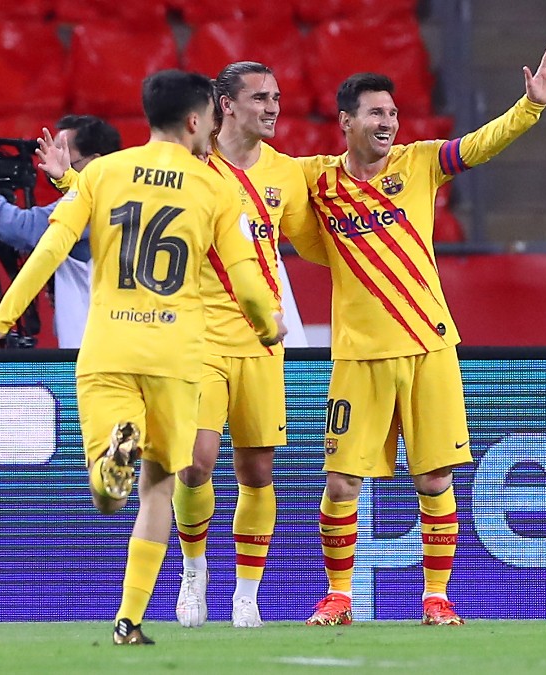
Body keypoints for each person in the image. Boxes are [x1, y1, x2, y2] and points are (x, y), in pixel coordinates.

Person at [0, 69, 287, 645]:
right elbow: (244, 278)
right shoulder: (216, 189)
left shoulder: (102, 174)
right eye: (212, 117)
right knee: (160, 487)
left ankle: (107, 470)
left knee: (109, 494)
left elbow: (49, 250)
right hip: (178, 356)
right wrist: (268, 325)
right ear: (195, 120)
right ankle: (129, 619)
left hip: (108, 347)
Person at [294, 48, 546, 627]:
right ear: (346, 120)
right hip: (359, 356)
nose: (387, 123)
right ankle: (338, 596)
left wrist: (530, 106)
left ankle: (437, 598)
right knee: (342, 480)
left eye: (392, 113)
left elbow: (478, 145)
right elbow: (254, 175)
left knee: (435, 478)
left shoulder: (420, 162)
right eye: (374, 114)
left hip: (429, 347)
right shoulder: (314, 178)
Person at [172, 60, 328, 630]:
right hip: (198, 337)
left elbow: (316, 244)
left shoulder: (288, 175)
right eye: (260, 97)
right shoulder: (190, 161)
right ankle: (193, 572)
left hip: (263, 342)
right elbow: (129, 182)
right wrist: (70, 179)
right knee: (195, 463)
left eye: (278, 97)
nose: (273, 108)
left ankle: (246, 592)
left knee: (257, 472)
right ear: (227, 104)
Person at [0, 115, 122, 347]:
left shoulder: (88, 206)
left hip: (91, 357)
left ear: (95, 163)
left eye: (64, 155)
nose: (54, 162)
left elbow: (21, 228)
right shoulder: (128, 200)